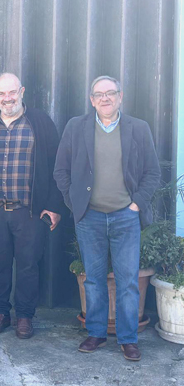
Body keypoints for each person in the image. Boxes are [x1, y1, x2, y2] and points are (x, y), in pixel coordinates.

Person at [54, 75, 160, 361]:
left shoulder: (138, 128)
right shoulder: (76, 127)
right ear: (91, 100)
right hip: (90, 217)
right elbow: (60, 170)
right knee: (94, 280)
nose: (105, 98)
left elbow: (152, 172)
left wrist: (137, 204)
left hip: (126, 216)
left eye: (110, 93)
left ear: (120, 96)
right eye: (99, 94)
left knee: (128, 281)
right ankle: (96, 333)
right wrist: (76, 204)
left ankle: (128, 339)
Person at [0, 72, 64, 339]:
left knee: (27, 265)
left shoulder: (40, 122)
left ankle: (24, 316)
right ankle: (0, 313)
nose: (7, 98)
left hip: (30, 211)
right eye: (2, 93)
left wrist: (54, 205)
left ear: (22, 92)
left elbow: (58, 165)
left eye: (12, 92)